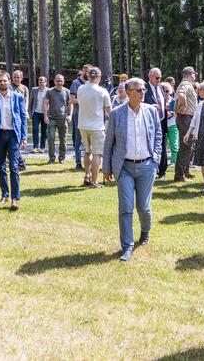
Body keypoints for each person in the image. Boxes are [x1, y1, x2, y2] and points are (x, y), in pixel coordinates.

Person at [102, 77, 162, 262]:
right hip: (124, 167)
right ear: (128, 93)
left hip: (147, 166)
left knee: (143, 207)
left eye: (143, 89)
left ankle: (145, 231)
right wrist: (106, 167)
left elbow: (158, 135)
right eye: (138, 90)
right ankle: (127, 246)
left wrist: (155, 159)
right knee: (126, 208)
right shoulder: (117, 113)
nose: (143, 92)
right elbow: (109, 142)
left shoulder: (151, 111)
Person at [0, 71, 28, 210]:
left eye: (4, 80)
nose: (2, 83)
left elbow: (23, 117)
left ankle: (15, 199)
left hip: (13, 135)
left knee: (14, 166)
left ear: (9, 81)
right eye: (0, 81)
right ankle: (4, 195)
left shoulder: (18, 97)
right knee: (1, 167)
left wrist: (24, 137)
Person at [76, 67, 112, 187]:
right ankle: (94, 181)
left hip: (82, 125)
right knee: (97, 154)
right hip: (96, 126)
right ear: (99, 77)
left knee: (87, 151)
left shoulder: (80, 88)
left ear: (89, 76)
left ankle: (87, 175)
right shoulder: (102, 91)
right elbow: (108, 111)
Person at [144, 68, 169, 179]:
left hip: (162, 121)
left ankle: (162, 171)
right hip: (149, 122)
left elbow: (162, 102)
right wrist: (150, 106)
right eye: (157, 77)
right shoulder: (144, 88)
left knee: (162, 145)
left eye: (160, 78)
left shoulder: (161, 88)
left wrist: (166, 108)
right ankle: (151, 169)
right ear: (150, 76)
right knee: (150, 145)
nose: (159, 80)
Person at [174, 66, 198, 181]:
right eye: (194, 74)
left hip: (186, 118)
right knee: (186, 146)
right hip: (185, 118)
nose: (195, 76)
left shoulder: (187, 84)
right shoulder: (186, 84)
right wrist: (183, 105)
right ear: (190, 74)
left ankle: (185, 171)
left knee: (188, 146)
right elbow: (181, 95)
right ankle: (179, 175)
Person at [44, 74, 73, 164]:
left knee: (63, 139)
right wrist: (45, 116)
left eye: (61, 81)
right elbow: (45, 104)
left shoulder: (67, 91)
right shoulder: (49, 91)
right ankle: (52, 158)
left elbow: (70, 104)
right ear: (54, 81)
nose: (59, 82)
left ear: (63, 81)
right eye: (57, 80)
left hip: (63, 118)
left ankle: (62, 158)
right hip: (52, 118)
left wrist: (70, 115)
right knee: (51, 138)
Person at [69, 64, 92, 171]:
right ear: (83, 71)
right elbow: (72, 100)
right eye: (86, 72)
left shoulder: (92, 83)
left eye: (90, 72)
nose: (88, 74)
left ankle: (91, 162)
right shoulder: (76, 83)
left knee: (90, 141)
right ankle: (78, 163)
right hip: (78, 114)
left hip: (90, 115)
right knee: (78, 140)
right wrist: (85, 101)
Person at [29, 76, 49, 153]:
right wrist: (30, 113)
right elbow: (31, 102)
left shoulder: (49, 91)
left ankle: (42, 147)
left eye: (42, 81)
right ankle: (35, 146)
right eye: (39, 81)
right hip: (36, 113)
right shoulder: (34, 90)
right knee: (35, 129)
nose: (40, 83)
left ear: (46, 82)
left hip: (45, 114)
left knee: (44, 130)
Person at [162, 82, 179, 164]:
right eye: (163, 90)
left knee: (174, 146)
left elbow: (173, 114)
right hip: (162, 126)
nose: (165, 92)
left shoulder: (173, 101)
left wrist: (166, 111)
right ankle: (162, 163)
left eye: (167, 91)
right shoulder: (159, 101)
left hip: (172, 125)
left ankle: (173, 163)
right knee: (162, 146)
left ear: (170, 91)